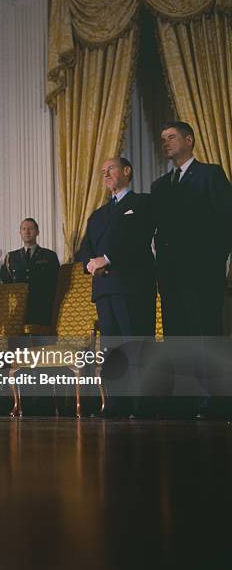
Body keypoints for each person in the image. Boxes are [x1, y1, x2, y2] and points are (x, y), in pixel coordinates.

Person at [151, 122, 232, 417]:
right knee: (177, 336)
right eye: (162, 139)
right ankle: (184, 400)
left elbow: (227, 219)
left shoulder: (210, 174)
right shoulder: (159, 185)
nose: (166, 143)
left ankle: (217, 400)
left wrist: (214, 260)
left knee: (206, 334)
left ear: (189, 140)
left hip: (202, 273)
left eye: (171, 137)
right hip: (170, 275)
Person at [79, 158, 157, 417]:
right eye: (102, 171)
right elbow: (86, 247)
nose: (106, 174)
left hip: (133, 284)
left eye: (110, 169)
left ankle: (142, 405)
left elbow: (138, 238)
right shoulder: (97, 214)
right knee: (112, 350)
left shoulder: (143, 203)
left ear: (127, 171)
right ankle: (115, 404)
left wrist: (108, 259)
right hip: (104, 287)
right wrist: (90, 264)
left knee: (136, 345)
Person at [1, 218, 59, 327]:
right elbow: (5, 284)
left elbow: (56, 284)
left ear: (37, 232)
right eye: (24, 229)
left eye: (31, 229)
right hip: (18, 309)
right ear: (20, 233)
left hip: (42, 308)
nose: (27, 232)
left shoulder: (49, 256)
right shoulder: (11, 257)